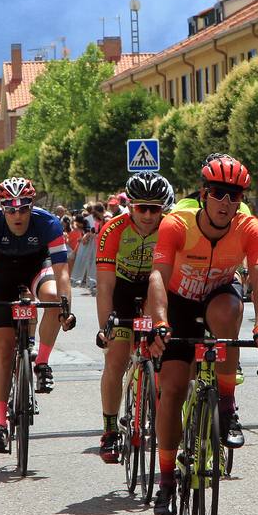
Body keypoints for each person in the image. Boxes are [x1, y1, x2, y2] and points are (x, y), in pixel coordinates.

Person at [146, 155, 258, 515]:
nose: (226, 202)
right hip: (179, 302)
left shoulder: (249, 228)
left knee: (227, 315)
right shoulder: (176, 224)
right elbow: (157, 276)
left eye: (234, 196)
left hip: (219, 293)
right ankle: (167, 479)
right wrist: (159, 323)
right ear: (204, 194)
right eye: (218, 194)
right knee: (170, 388)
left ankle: (226, 406)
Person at [0, 177, 74, 453]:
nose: (17, 215)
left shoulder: (48, 223)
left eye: (23, 208)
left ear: (32, 206)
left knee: (53, 298)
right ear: (1, 208)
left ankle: (41, 362)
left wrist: (66, 307)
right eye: (10, 208)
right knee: (4, 348)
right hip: (2, 274)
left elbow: (62, 271)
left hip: (35, 267)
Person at [94, 172, 173, 463]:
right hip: (123, 288)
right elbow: (104, 286)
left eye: (156, 208)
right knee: (115, 357)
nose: (149, 215)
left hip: (157, 285)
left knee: (164, 349)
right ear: (130, 207)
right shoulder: (112, 229)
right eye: (142, 208)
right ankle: (110, 430)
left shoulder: (170, 228)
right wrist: (107, 327)